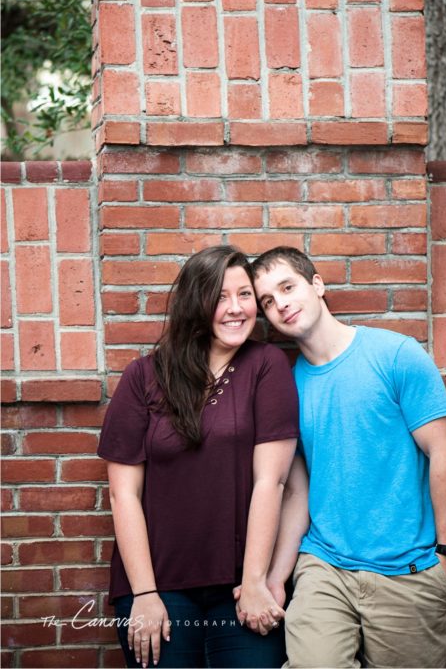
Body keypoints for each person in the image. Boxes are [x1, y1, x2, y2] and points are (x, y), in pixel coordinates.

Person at [249, 246, 446, 668]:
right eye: (268, 302)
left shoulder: (396, 355)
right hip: (324, 564)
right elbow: (295, 491)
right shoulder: (286, 391)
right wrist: (276, 576)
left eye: (288, 287)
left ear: (317, 285)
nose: (281, 305)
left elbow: (445, 455)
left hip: (410, 569)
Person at [98, 245, 299, 668]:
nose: (236, 309)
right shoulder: (144, 376)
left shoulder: (267, 365)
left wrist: (255, 579)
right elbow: (123, 495)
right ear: (195, 303)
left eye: (245, 295)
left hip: (240, 586)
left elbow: (272, 481)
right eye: (220, 296)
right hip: (159, 586)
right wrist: (145, 594)